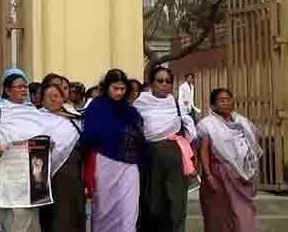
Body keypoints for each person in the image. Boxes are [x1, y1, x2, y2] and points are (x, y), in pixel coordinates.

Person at [0, 70, 45, 232]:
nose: (24, 90)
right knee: (13, 215)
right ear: (7, 90)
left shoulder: (33, 112)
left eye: (25, 86)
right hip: (8, 173)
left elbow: (44, 137)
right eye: (19, 87)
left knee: (31, 215)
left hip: (32, 174)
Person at [134, 65, 197, 232]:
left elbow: (186, 133)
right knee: (152, 206)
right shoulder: (140, 104)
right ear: (151, 83)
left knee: (176, 206)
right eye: (159, 81)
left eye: (168, 81)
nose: (164, 84)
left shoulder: (176, 105)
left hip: (174, 163)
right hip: (150, 162)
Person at [81, 69, 144, 232]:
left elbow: (139, 134)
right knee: (105, 209)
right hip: (105, 163)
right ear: (107, 87)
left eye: (122, 89)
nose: (119, 92)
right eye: (115, 88)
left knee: (128, 210)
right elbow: (90, 136)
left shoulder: (130, 110)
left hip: (130, 165)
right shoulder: (97, 107)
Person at [197, 88, 263, 232]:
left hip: (241, 175)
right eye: (222, 100)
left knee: (243, 213)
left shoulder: (242, 122)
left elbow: (251, 147)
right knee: (219, 216)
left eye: (228, 99)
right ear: (213, 105)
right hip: (218, 174)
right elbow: (203, 151)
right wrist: (208, 176)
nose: (226, 103)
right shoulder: (207, 125)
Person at [37, 83, 84, 232]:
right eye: (49, 97)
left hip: (71, 175)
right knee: (50, 216)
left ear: (62, 98)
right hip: (44, 177)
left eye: (56, 96)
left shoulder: (74, 117)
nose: (53, 100)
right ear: (42, 100)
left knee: (71, 212)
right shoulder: (35, 118)